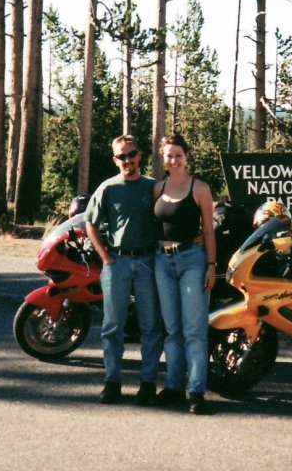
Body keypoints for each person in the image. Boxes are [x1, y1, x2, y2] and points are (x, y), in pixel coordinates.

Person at [84, 135, 163, 405]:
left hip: (147, 262)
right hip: (116, 262)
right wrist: (104, 255)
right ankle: (112, 381)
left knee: (150, 325)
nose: (128, 160)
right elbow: (90, 222)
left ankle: (148, 382)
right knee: (113, 325)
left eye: (132, 154)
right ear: (115, 160)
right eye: (122, 156)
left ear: (140, 156)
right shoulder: (108, 188)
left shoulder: (154, 187)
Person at [151, 134, 217, 415]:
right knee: (172, 329)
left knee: (194, 330)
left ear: (186, 156)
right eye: (168, 155)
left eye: (178, 155)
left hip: (193, 261)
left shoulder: (199, 189)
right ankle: (174, 386)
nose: (173, 160)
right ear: (162, 159)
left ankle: (197, 391)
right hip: (162, 263)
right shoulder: (158, 188)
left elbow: (209, 230)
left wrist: (212, 265)